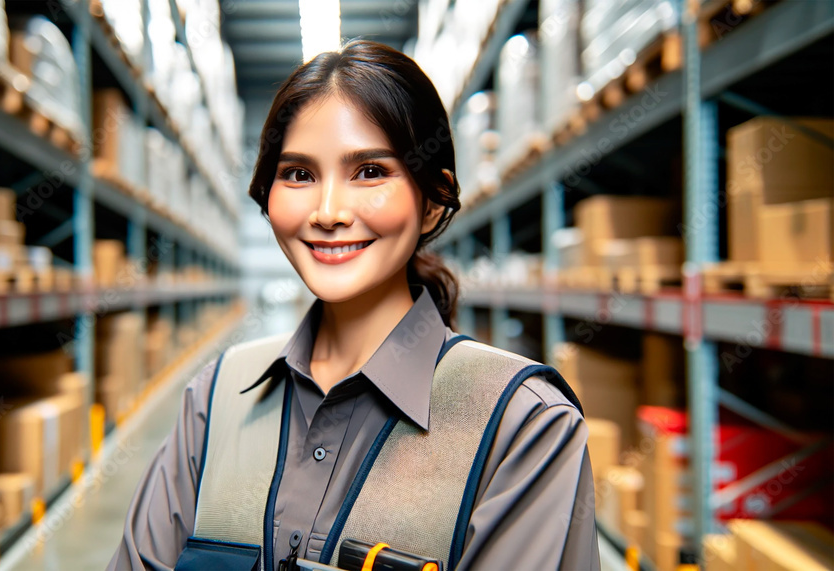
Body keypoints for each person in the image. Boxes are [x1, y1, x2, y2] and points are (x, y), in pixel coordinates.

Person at [108, 39, 599, 571]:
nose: (328, 211)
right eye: (298, 174)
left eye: (369, 171)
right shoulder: (215, 399)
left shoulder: (523, 427)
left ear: (433, 200)